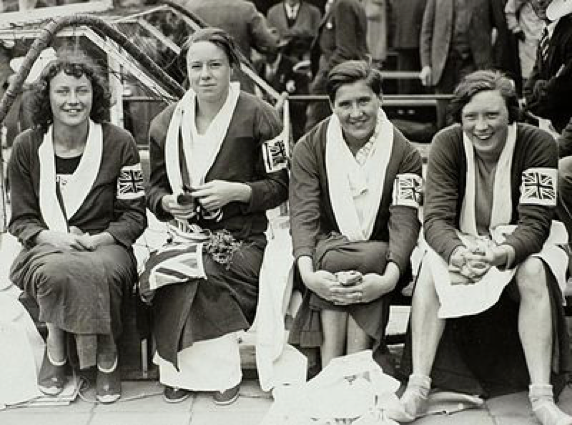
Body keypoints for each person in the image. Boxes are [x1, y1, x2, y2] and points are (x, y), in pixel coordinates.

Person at [399, 70, 571, 425]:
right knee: (432, 268)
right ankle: (417, 386)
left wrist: (500, 254)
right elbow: (436, 220)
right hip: (463, 238)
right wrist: (457, 254)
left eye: (492, 115)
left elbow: (536, 223)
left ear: (511, 113)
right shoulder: (447, 143)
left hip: (520, 239)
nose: (481, 126)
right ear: (459, 118)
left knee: (534, 269)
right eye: (471, 117)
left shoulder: (539, 144)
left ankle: (542, 396)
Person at [141, 27, 289, 405]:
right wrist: (168, 205)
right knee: (169, 270)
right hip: (184, 233)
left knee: (205, 269)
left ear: (232, 68)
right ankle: (176, 370)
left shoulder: (261, 117)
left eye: (215, 65)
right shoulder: (165, 124)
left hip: (245, 236)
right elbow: (154, 190)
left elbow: (282, 185)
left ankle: (223, 372)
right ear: (185, 72)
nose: (205, 74)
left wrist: (239, 192)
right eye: (196, 67)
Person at [7, 53, 147, 403]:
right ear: (47, 97)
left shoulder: (120, 143)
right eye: (63, 91)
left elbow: (134, 215)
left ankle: (102, 355)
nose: (73, 100)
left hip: (107, 244)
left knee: (99, 268)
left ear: (94, 95)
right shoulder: (26, 147)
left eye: (82, 90)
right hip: (46, 243)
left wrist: (100, 238)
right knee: (55, 269)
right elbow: (21, 220)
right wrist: (53, 237)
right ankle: (65, 346)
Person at [289, 60, 422, 369]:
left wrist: (389, 279)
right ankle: (342, 371)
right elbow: (304, 214)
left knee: (366, 258)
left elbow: (404, 220)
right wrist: (308, 275)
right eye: (345, 104)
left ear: (380, 99)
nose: (356, 112)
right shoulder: (309, 147)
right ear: (331, 106)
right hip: (325, 250)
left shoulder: (405, 152)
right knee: (336, 259)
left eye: (364, 101)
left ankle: (344, 368)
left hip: (384, 256)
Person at [419, 0, 505, 129]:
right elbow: (427, 30)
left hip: (474, 63)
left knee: (470, 111)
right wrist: (426, 65)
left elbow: (501, 27)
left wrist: (495, 63)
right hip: (443, 64)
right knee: (443, 115)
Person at [172, 0, 278, 93]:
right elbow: (269, 45)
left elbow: (179, 43)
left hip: (200, 80)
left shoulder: (190, 7)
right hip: (237, 81)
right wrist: (273, 35)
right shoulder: (245, 8)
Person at [305, 0, 369, 132]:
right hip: (338, 75)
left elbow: (345, 51)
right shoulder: (346, 3)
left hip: (334, 78)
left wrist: (323, 77)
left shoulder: (343, 4)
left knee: (316, 131)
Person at [390, 0, 427, 95]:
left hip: (400, 38)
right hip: (416, 38)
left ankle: (403, 98)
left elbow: (393, 17)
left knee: (403, 71)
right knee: (414, 72)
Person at [504, 0, 544, 86]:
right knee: (528, 72)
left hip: (545, 34)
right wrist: (516, 29)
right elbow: (509, 10)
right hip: (528, 37)